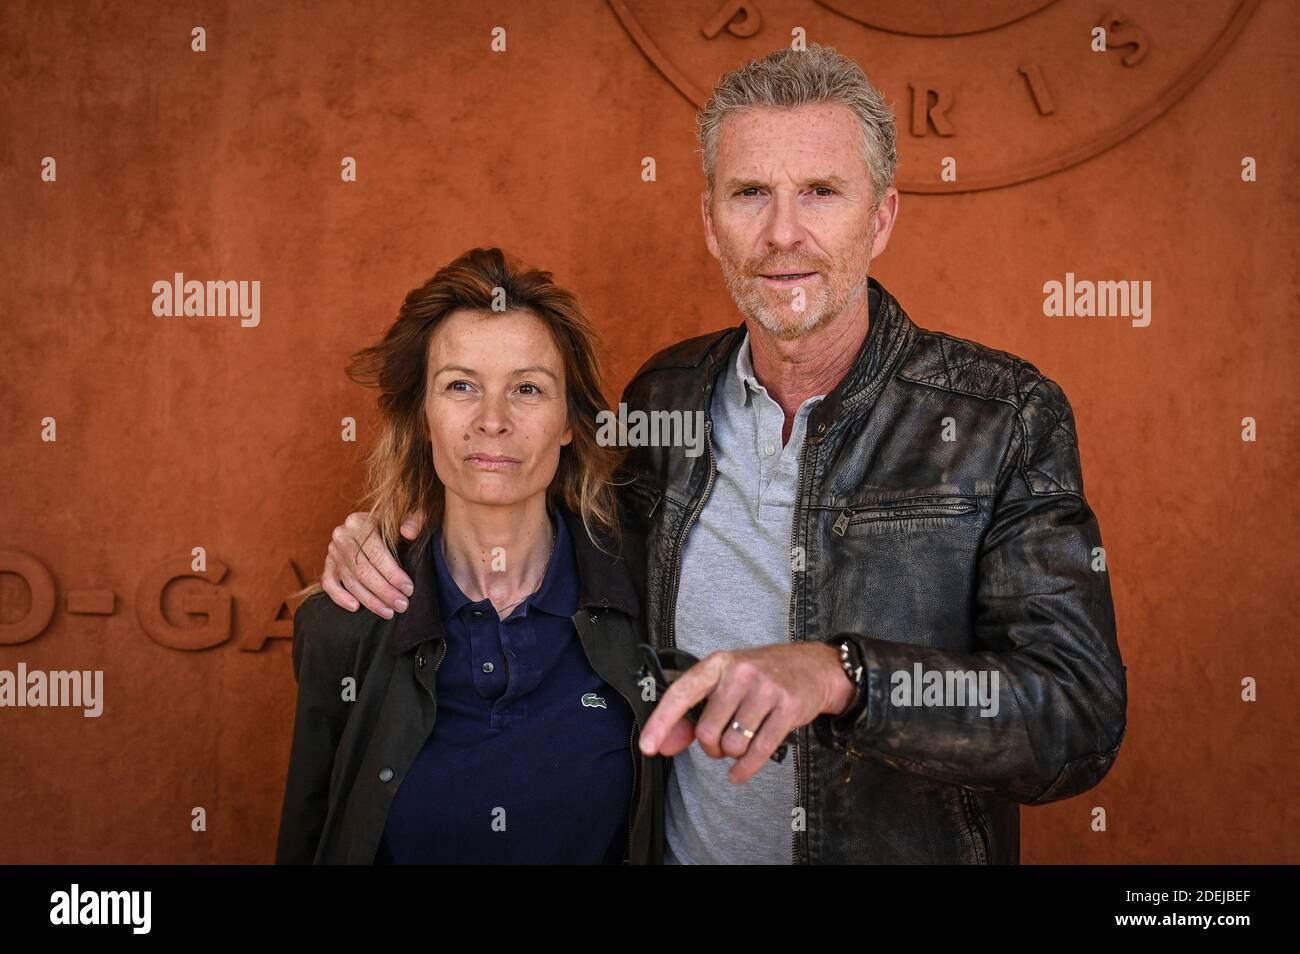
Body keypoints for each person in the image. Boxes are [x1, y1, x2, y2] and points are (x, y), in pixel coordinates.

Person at [317, 44, 1127, 864]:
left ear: (880, 217)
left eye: (820, 192)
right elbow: (547, 532)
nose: (782, 233)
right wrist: (390, 540)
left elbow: (1076, 716)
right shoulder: (665, 399)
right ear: (710, 221)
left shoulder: (1002, 417)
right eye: (749, 194)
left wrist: (842, 676)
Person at [275, 246, 665, 864]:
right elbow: (310, 835)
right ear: (422, 415)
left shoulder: (650, 597)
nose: (492, 420)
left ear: (569, 421)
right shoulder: (345, 625)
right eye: (460, 386)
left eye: (528, 389)